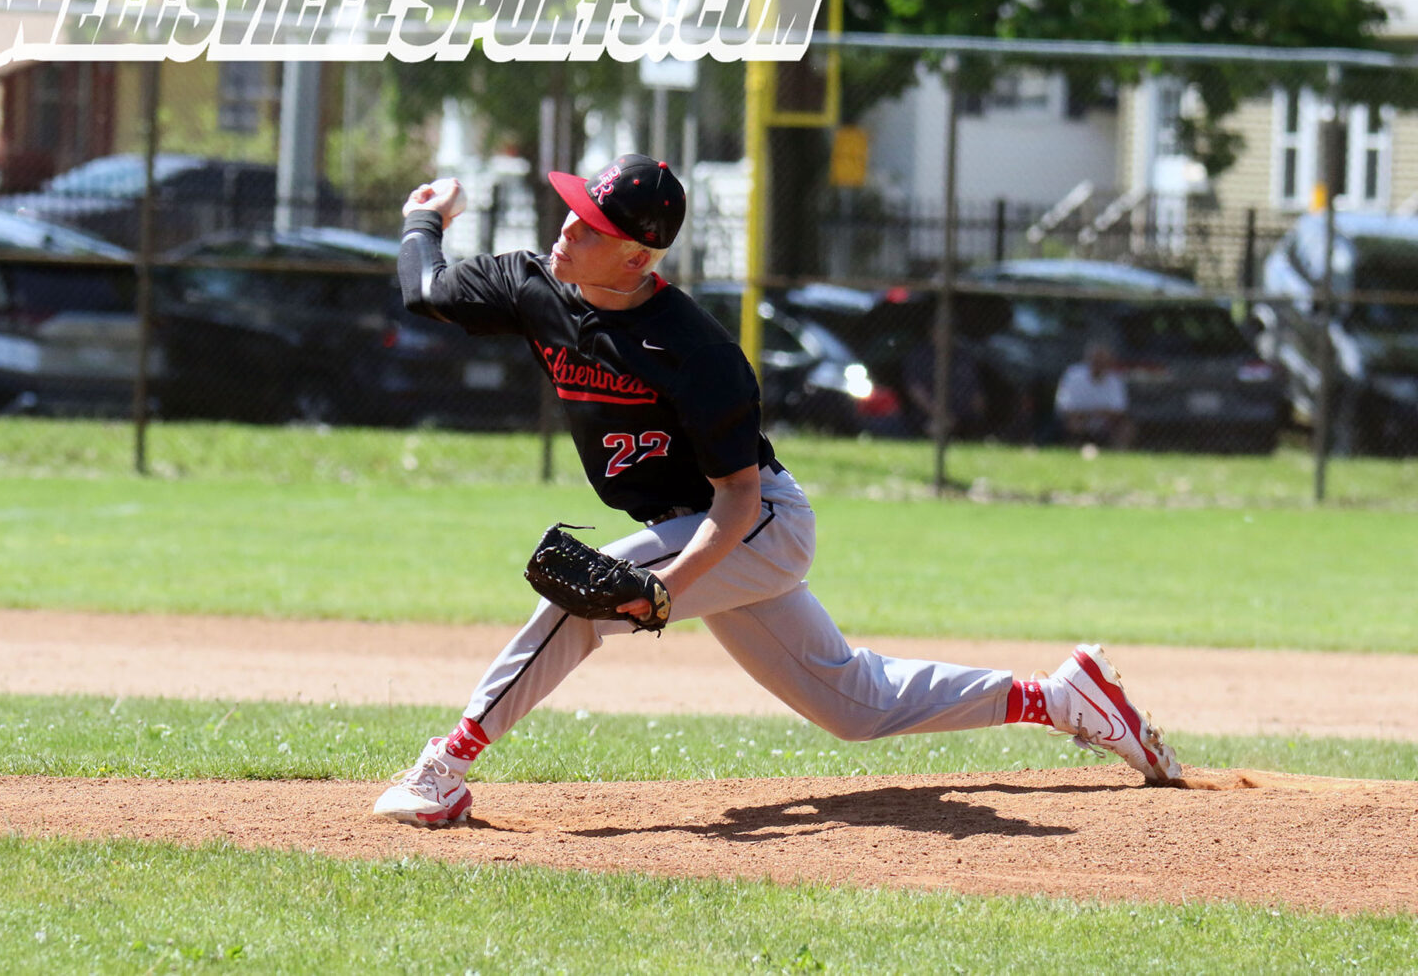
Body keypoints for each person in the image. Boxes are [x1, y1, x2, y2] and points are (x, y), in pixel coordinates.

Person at [375, 155, 1180, 826]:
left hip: (754, 525)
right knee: (855, 704)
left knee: (579, 606)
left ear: (636, 258)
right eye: (574, 209)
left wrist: (661, 587)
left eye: (590, 223)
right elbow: (428, 289)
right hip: (687, 528)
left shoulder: (698, 352)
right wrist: (426, 218)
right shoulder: (534, 286)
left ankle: (445, 767)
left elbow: (739, 502)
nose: (567, 226)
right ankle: (1062, 698)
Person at [1054, 340, 1134, 449]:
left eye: (1103, 361)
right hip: (1080, 421)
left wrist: (1094, 413)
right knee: (1074, 422)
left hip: (1105, 424)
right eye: (1096, 360)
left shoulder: (1115, 379)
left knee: (1126, 427)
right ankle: (1074, 449)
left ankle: (1119, 453)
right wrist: (1094, 413)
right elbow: (1064, 407)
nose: (1099, 364)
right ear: (1088, 360)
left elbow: (1119, 410)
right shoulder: (1073, 375)